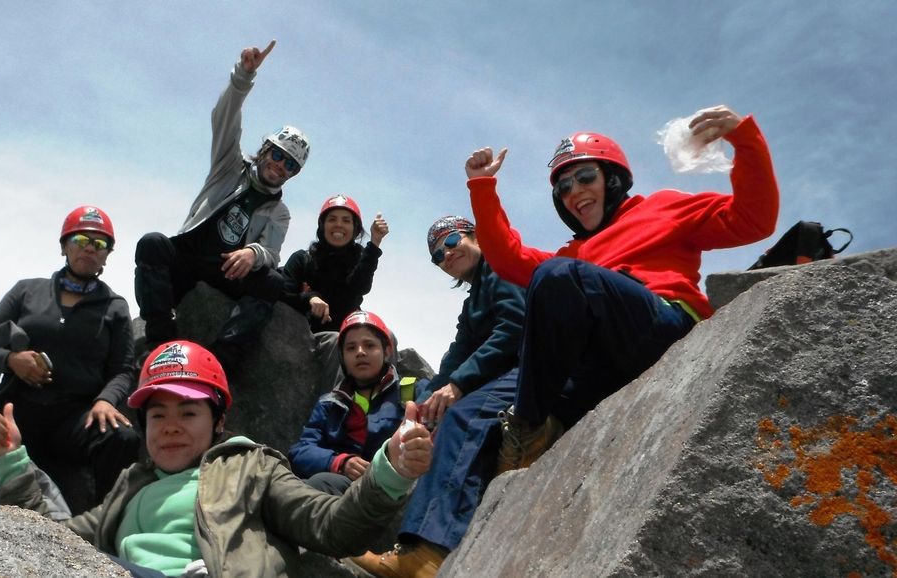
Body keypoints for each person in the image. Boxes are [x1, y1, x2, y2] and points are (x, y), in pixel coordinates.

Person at [463, 105, 779, 473]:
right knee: (487, 411)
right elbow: (507, 259)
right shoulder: (574, 255)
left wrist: (743, 139)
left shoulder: (662, 207)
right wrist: (482, 186)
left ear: (612, 179)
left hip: (664, 328)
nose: (574, 191)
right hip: (607, 360)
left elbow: (754, 219)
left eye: (585, 177)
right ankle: (528, 438)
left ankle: (527, 428)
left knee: (559, 276)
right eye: (564, 188)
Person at [0, 340, 432, 578]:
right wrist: (11, 462)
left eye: (188, 412)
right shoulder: (129, 487)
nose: (170, 426)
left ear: (219, 422)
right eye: (157, 415)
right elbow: (48, 545)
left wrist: (389, 471)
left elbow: (330, 526)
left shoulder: (251, 468)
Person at [350, 216, 526, 578]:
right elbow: (457, 355)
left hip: (535, 368)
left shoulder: (503, 269)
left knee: (463, 417)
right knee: (441, 415)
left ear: (477, 236)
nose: (446, 254)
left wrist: (458, 386)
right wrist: (424, 404)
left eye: (452, 241)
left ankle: (428, 553)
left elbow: (514, 328)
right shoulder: (474, 301)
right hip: (513, 373)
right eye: (437, 255)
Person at [134, 40, 310, 373]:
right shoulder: (229, 166)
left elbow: (272, 253)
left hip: (227, 271)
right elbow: (224, 119)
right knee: (152, 244)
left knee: (272, 282)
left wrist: (253, 253)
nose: (280, 165)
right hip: (189, 256)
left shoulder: (279, 212)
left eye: (290, 164)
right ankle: (159, 341)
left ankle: (220, 362)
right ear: (264, 149)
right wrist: (243, 76)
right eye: (277, 154)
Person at [0, 205, 139, 512]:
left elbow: (122, 369)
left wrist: (105, 401)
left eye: (100, 243)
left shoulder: (114, 306)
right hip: (20, 410)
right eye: (80, 240)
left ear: (107, 255)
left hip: (74, 419)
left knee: (123, 439)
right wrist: (12, 360)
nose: (90, 248)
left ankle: (107, 523)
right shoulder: (26, 291)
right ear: (64, 246)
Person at [288, 311, 405, 496]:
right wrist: (339, 462)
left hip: (395, 489)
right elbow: (301, 451)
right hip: (345, 487)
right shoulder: (329, 403)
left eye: (369, 345)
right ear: (342, 357)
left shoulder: (412, 392)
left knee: (316, 485)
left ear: (387, 351)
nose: (360, 352)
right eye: (351, 348)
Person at [280, 194, 389, 333]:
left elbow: (361, 286)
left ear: (355, 228)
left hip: (345, 337)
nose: (339, 225)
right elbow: (281, 293)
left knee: (387, 336)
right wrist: (309, 298)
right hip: (301, 335)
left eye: (346, 220)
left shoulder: (361, 259)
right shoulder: (302, 259)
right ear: (322, 226)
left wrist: (374, 243)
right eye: (332, 219)